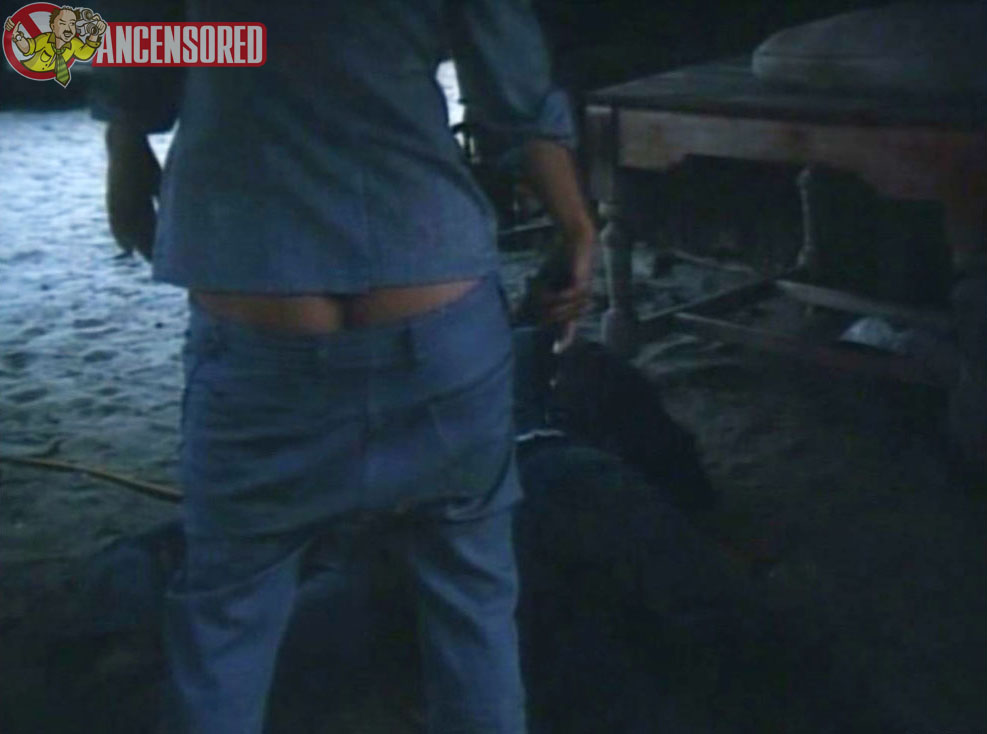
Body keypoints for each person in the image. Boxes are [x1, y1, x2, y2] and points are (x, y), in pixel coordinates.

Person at [93, 1, 596, 732]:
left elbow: (145, 51)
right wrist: (576, 228)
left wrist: (126, 136)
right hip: (436, 315)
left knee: (227, 622)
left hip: (259, 320)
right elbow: (516, 99)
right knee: (472, 601)